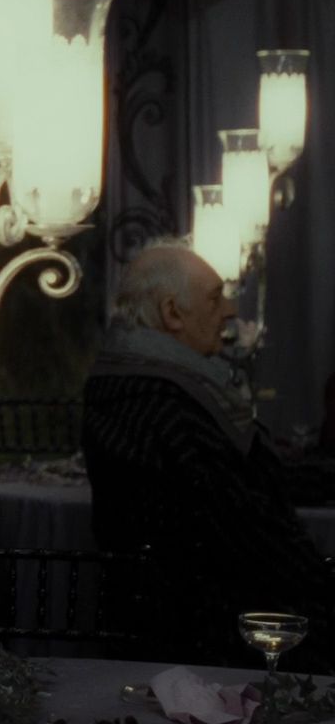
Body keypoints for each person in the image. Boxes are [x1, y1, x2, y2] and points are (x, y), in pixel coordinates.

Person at [83, 239, 335, 670]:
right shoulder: (165, 402)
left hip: (188, 616)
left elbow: (252, 479)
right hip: (213, 633)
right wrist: (324, 584)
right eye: (215, 299)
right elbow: (248, 529)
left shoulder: (145, 381)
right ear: (172, 313)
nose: (231, 311)